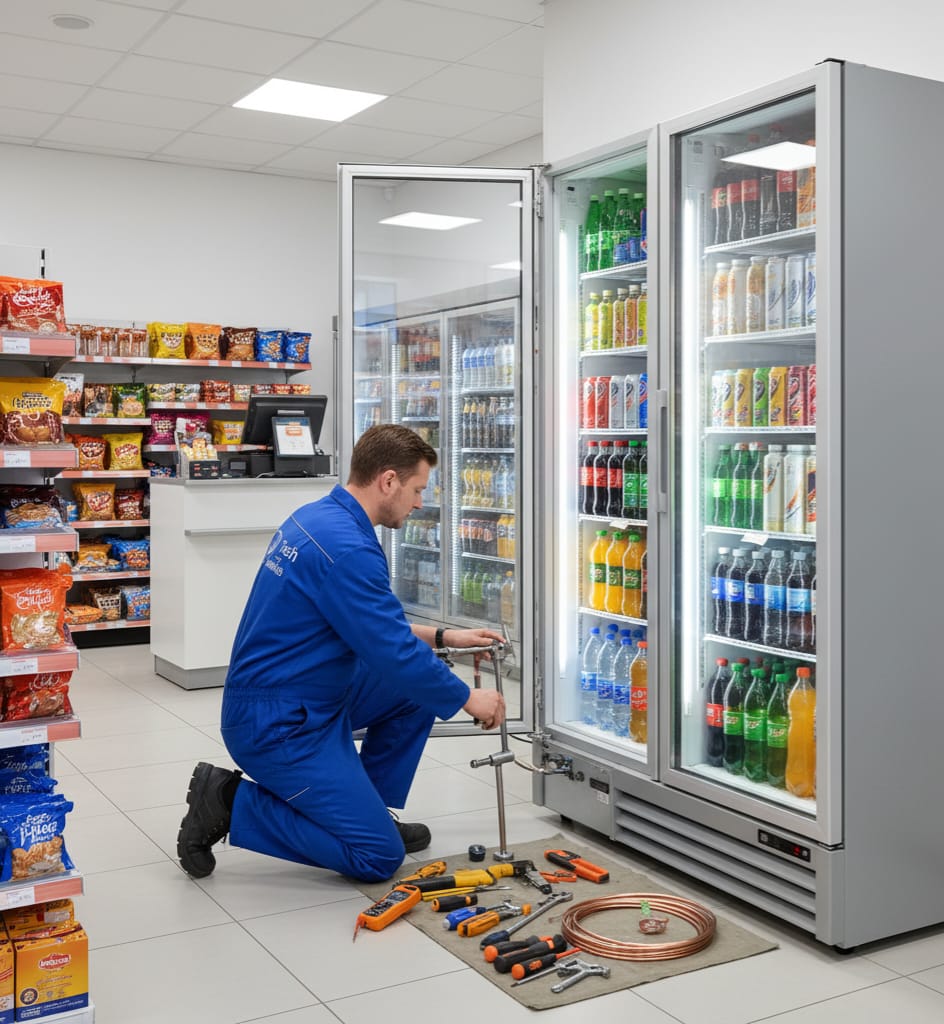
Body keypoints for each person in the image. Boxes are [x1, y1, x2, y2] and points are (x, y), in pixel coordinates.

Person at [177, 424, 506, 884]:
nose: (419, 503)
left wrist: (444, 638)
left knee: (413, 694)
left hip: (299, 689)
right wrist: (470, 700)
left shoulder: (316, 518)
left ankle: (369, 808)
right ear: (387, 481)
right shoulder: (348, 548)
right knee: (377, 857)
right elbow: (391, 649)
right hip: (278, 722)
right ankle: (230, 802)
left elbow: (365, 623)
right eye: (416, 490)